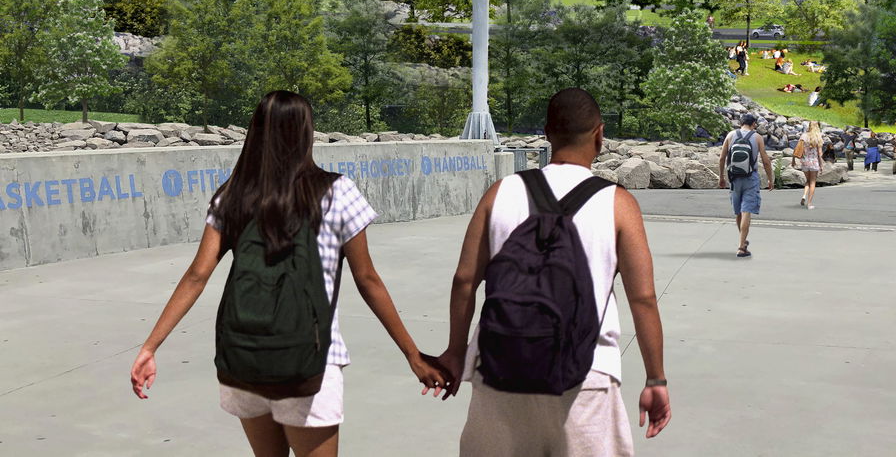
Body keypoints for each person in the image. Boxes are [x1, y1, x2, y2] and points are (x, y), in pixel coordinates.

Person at [129, 91, 448, 456]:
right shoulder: (336, 192)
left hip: (244, 359)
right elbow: (367, 279)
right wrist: (412, 355)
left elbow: (196, 276)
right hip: (310, 361)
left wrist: (150, 347)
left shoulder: (231, 196)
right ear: (305, 133)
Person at [442, 88, 671, 456]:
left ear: (547, 133)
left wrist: (455, 352)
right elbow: (642, 298)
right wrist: (655, 378)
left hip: (501, 371)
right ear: (599, 134)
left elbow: (464, 280)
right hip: (586, 378)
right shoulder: (618, 203)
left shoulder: (501, 192)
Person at [719, 113, 775, 257]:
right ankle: (741, 247)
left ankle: (742, 242)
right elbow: (766, 161)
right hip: (750, 177)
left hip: (734, 177)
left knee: (738, 211)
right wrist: (770, 179)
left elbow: (722, 158)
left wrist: (721, 177)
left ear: (741, 123)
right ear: (754, 124)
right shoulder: (757, 137)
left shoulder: (731, 135)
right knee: (746, 211)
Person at [792, 122, 824, 209]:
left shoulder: (804, 136)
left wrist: (793, 160)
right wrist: (821, 165)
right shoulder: (818, 137)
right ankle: (809, 204)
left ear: (809, 126)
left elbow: (797, 148)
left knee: (808, 180)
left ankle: (804, 196)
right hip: (814, 162)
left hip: (804, 162)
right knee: (813, 182)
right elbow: (820, 154)